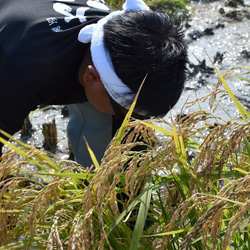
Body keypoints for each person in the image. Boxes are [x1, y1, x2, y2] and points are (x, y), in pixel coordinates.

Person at [0, 0, 188, 167]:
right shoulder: (19, 73)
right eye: (128, 108)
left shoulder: (124, 41)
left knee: (108, 134)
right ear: (91, 77)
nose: (133, 118)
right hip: (13, 40)